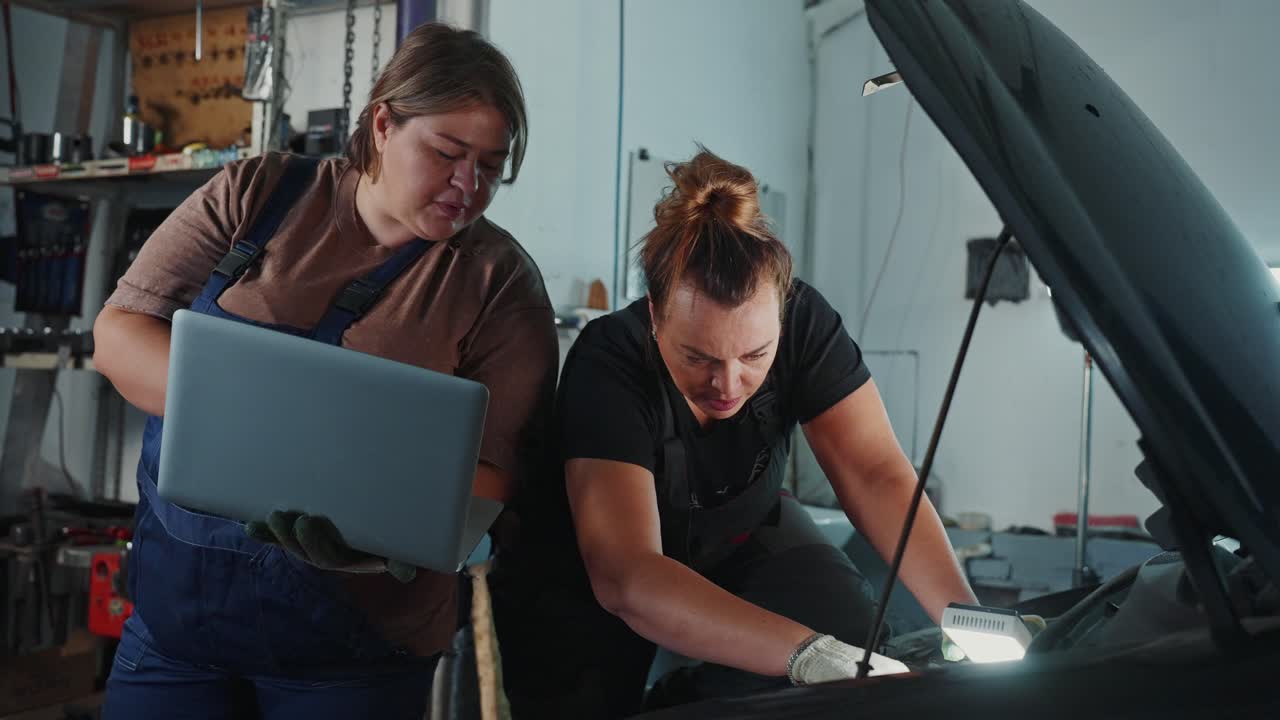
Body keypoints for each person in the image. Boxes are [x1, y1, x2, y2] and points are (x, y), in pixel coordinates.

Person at [93, 23, 557, 719]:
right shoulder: (258, 194)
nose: (470, 185)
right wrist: (282, 435)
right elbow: (120, 336)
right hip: (177, 627)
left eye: (491, 166)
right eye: (448, 153)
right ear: (382, 124)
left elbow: (490, 476)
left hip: (356, 653)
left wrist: (386, 540)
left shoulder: (499, 283)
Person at [491, 149, 978, 717]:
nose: (728, 384)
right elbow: (627, 575)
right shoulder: (610, 363)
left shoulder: (805, 321)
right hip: (587, 580)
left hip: (742, 540)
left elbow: (874, 473)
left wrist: (966, 619)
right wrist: (804, 655)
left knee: (848, 633)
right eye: (698, 357)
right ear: (654, 315)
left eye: (756, 355)